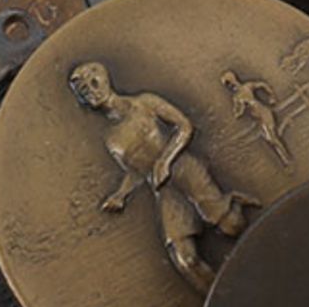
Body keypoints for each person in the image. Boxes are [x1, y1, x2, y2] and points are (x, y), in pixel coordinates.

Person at [68, 62, 257, 293]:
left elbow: (185, 126)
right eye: (85, 91)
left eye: (94, 82)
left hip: (184, 168)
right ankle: (227, 303)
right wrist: (121, 194)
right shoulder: (111, 138)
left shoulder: (145, 103)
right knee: (185, 260)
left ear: (106, 79)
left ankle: (234, 204)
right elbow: (136, 171)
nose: (92, 91)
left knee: (231, 228)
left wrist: (165, 160)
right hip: (163, 189)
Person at [220, 70, 292, 167]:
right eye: (227, 85)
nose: (229, 86)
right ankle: (285, 157)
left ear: (233, 79)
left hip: (264, 113)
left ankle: (287, 159)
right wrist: (241, 109)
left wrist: (271, 96)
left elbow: (262, 85)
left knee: (272, 138)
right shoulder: (236, 98)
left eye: (229, 83)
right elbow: (237, 114)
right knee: (271, 139)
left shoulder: (247, 87)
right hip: (259, 120)